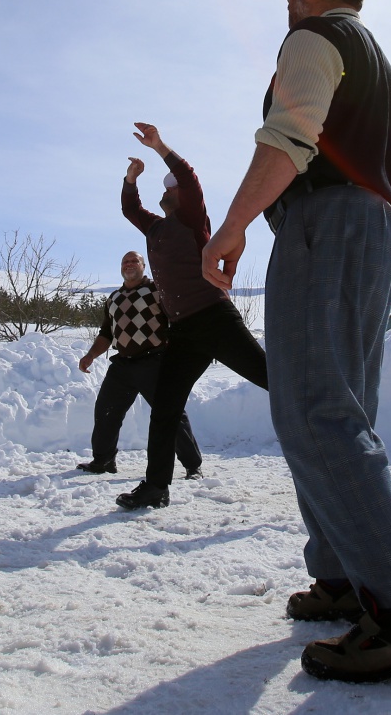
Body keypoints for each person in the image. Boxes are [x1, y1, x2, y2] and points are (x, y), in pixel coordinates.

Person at [203, 0, 391, 684]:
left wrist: (232, 226)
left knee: (317, 411)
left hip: (325, 226)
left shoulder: (312, 38)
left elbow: (289, 137)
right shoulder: (381, 66)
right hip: (372, 230)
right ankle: (346, 577)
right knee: (341, 410)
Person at [113, 122, 267, 510]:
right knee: (165, 407)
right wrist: (131, 179)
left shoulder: (194, 220)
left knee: (273, 379)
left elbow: (187, 175)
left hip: (214, 318)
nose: (168, 192)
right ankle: (155, 486)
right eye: (164, 190)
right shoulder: (156, 228)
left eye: (171, 189)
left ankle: (328, 419)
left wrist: (159, 146)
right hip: (182, 330)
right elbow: (129, 208)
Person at [75, 250, 202, 478]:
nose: (129, 264)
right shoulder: (113, 298)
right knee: (105, 410)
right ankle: (103, 460)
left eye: (135, 260)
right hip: (122, 364)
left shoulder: (158, 290)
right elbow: (106, 333)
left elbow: (179, 320)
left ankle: (193, 466)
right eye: (125, 261)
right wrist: (90, 355)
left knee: (170, 412)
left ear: (144, 266)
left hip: (155, 361)